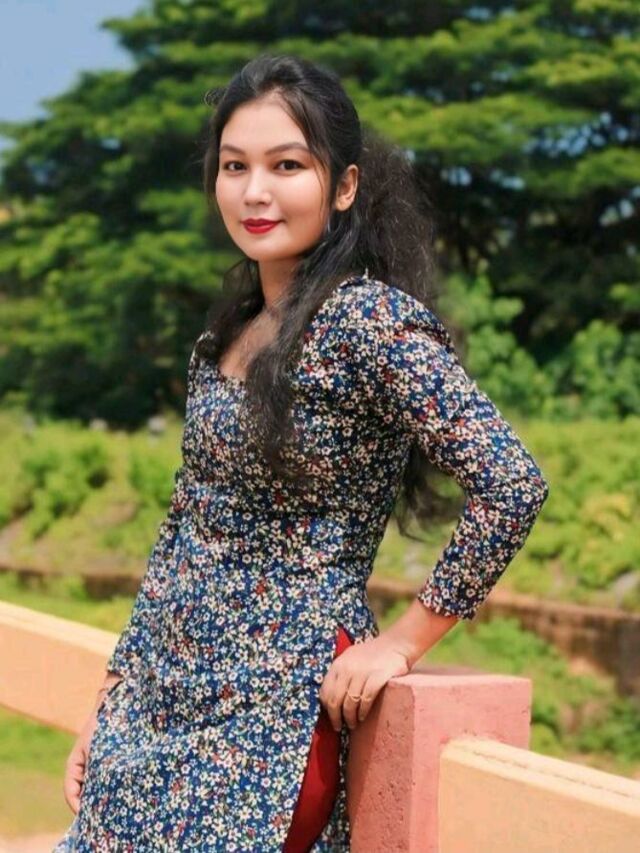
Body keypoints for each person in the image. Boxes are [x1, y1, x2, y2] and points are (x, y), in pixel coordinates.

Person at [55, 53, 549, 852]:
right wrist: (111, 698)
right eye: (235, 166)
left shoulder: (368, 324)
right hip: (158, 705)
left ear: (344, 185)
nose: (255, 191)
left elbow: (512, 484)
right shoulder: (225, 335)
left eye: (287, 165)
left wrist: (404, 641)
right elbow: (185, 527)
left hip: (271, 717)